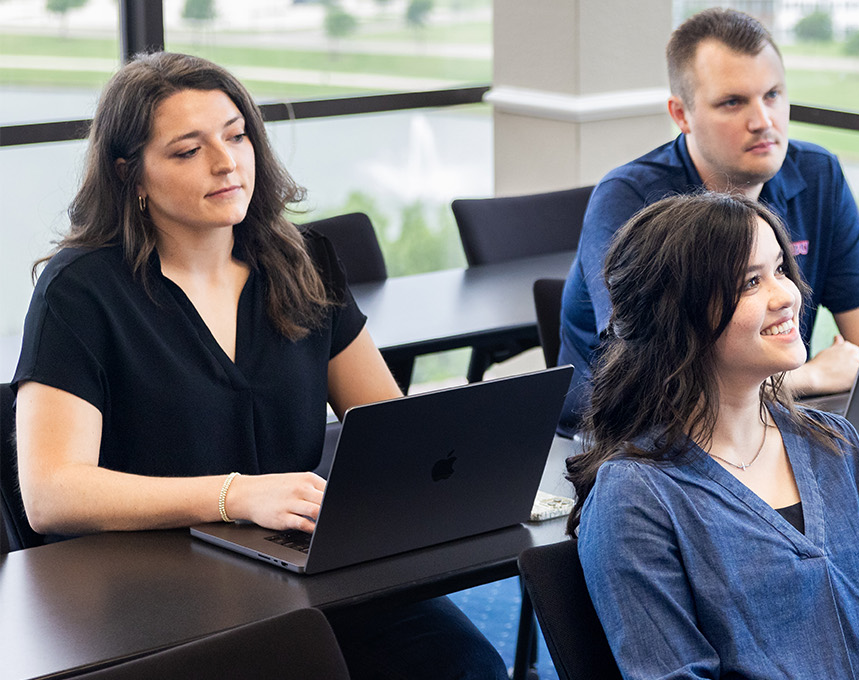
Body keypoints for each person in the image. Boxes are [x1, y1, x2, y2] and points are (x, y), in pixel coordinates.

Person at [9, 52, 508, 680]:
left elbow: (388, 426)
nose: (226, 163)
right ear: (130, 175)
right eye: (188, 151)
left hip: (291, 564)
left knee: (462, 664)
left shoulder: (301, 260)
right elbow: (51, 494)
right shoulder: (79, 292)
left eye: (237, 135)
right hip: (143, 586)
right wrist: (236, 494)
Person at [556, 7, 859, 614]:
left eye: (774, 94)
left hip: (767, 426)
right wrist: (806, 375)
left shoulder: (816, 173)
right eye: (733, 102)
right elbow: (655, 366)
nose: (764, 121)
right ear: (681, 115)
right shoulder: (631, 201)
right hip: (651, 444)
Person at [567, 191, 859, 680]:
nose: (787, 295)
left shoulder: (832, 443)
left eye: (780, 270)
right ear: (680, 316)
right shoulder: (636, 496)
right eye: (751, 282)